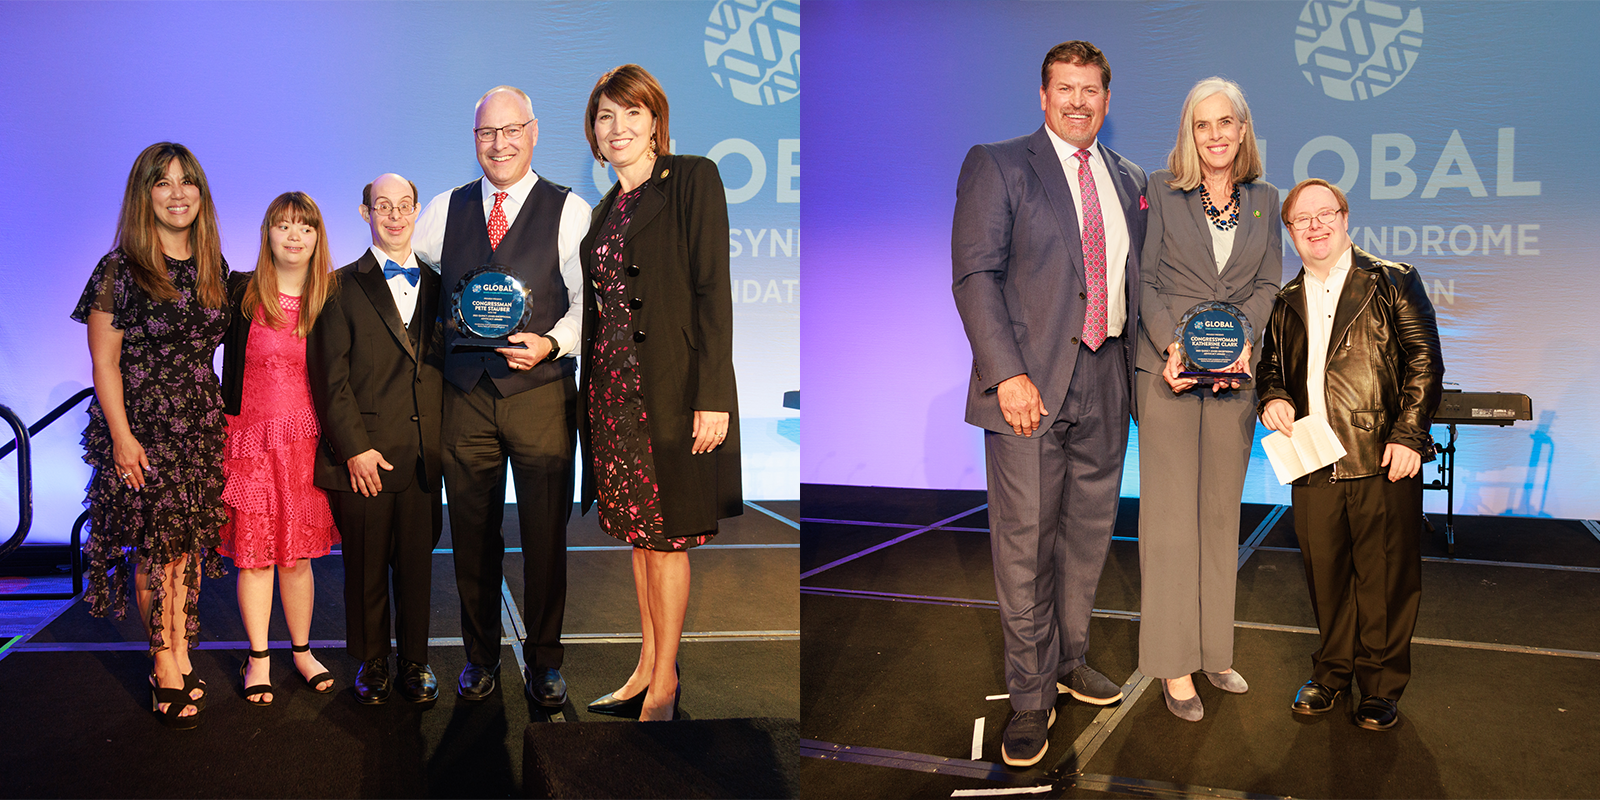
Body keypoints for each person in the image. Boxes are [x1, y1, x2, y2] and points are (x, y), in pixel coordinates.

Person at [951, 41, 1147, 767]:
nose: (1078, 101)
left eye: (1091, 89)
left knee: (1086, 540)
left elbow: (1135, 287)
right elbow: (975, 275)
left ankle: (1070, 661)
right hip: (1028, 388)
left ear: (1106, 97)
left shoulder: (1128, 179)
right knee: (1026, 546)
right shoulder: (999, 164)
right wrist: (1007, 375)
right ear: (1042, 95)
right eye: (1065, 88)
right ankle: (1030, 698)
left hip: (1107, 379)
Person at [413, 85, 592, 706]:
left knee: (546, 534)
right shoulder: (443, 210)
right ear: (474, 141)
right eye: (488, 133)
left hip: (541, 394)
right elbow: (412, 287)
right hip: (464, 397)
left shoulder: (570, 210)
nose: (500, 143)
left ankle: (543, 660)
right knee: (471, 535)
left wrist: (550, 344)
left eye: (511, 130)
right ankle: (479, 656)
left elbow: (586, 307)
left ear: (534, 132)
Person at [577, 64, 741, 722]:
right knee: (640, 538)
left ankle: (666, 684)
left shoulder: (692, 179)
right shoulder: (606, 207)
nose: (618, 129)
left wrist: (714, 396)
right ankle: (646, 666)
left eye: (631, 115)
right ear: (593, 132)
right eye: (605, 117)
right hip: (614, 395)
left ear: (655, 123)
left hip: (671, 393)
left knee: (668, 537)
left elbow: (713, 293)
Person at [1255, 178, 1443, 731]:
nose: (1315, 226)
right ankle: (1332, 672)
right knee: (1326, 574)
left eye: (1325, 213)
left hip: (1382, 455)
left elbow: (1424, 362)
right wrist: (1273, 396)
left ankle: (1381, 686)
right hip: (1311, 460)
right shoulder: (1283, 298)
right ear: (1289, 231)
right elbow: (1270, 367)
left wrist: (1409, 436)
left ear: (1345, 217)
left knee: (1384, 579)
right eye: (1301, 219)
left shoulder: (1392, 280)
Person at [1134, 78, 1281, 721]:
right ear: (1188, 134)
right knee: (1169, 521)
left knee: (1221, 517)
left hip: (1234, 377)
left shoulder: (1265, 200)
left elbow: (1269, 281)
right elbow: (1141, 279)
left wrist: (1242, 339)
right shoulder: (1161, 194)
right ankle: (1173, 664)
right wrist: (1174, 344)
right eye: (1203, 125)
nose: (1216, 135)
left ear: (1243, 130)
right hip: (1166, 372)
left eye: (1227, 123)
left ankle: (1214, 650)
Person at [71, 142, 230, 728]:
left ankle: (182, 648)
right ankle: (163, 662)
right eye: (162, 183)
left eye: (187, 181)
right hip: (142, 429)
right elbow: (104, 363)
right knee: (153, 552)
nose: (177, 192)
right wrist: (121, 435)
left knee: (184, 547)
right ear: (144, 195)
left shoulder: (211, 267)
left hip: (197, 428)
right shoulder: (118, 270)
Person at [308, 174, 445, 705]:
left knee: (416, 569)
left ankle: (416, 661)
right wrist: (355, 448)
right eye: (382, 206)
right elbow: (329, 380)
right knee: (364, 570)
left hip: (421, 460)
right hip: (363, 457)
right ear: (365, 213)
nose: (394, 215)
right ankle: (371, 662)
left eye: (404, 205)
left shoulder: (440, 285)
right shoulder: (338, 286)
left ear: (415, 210)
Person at [218, 192, 340, 706]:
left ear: (318, 237)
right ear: (267, 232)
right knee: (255, 558)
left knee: (296, 560)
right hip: (249, 444)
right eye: (283, 225)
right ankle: (259, 659)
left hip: (305, 446)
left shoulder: (330, 296)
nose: (294, 236)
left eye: (305, 227)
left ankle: (302, 652)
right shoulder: (241, 292)